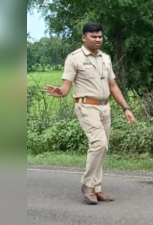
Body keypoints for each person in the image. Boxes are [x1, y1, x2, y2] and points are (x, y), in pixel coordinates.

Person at [44, 22, 135, 205]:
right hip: (86, 106)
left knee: (103, 148)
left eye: (100, 36)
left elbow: (113, 86)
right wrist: (59, 92)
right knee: (99, 144)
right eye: (93, 36)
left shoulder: (106, 58)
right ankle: (87, 185)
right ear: (84, 38)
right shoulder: (74, 58)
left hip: (105, 107)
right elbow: (65, 88)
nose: (98, 39)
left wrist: (126, 108)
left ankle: (97, 188)